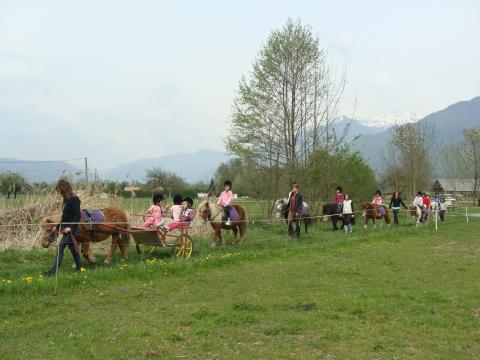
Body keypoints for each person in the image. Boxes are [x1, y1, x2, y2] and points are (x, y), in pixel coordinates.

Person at [43, 180, 82, 276]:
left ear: (64, 189)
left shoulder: (74, 199)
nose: (59, 193)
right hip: (65, 228)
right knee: (73, 249)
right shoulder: (66, 200)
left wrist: (71, 229)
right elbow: (65, 217)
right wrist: (57, 226)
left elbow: (78, 215)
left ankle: (52, 272)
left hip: (71, 229)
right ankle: (79, 268)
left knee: (60, 248)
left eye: (60, 191)